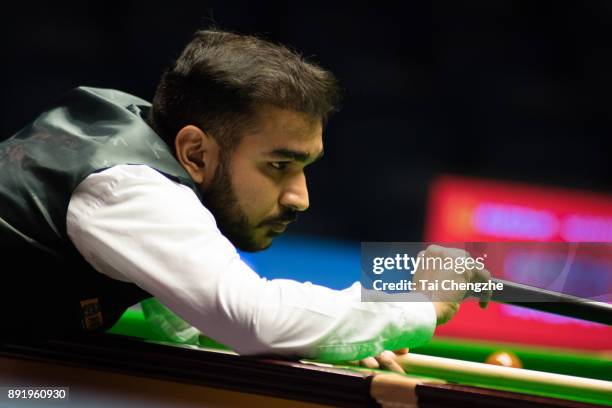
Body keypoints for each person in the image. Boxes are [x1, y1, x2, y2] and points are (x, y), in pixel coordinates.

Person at [0, 29, 488, 368]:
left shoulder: (141, 139)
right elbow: (254, 319)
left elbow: (196, 316)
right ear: (195, 152)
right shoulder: (127, 188)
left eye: (305, 169)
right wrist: (419, 304)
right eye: (279, 166)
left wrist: (333, 336)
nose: (300, 198)